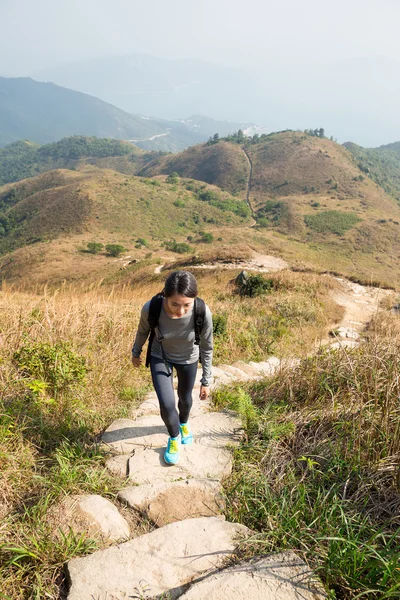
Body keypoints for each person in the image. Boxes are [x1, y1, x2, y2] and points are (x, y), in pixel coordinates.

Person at [131, 270, 213, 465]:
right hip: (161, 356)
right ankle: (174, 436)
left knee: (185, 400)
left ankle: (184, 423)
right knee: (167, 403)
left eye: (187, 305)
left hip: (189, 358)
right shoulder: (152, 307)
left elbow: (207, 347)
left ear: (194, 299)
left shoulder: (203, 311)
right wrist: (136, 352)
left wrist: (206, 380)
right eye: (174, 304)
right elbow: (142, 331)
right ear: (165, 296)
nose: (181, 310)